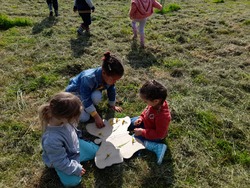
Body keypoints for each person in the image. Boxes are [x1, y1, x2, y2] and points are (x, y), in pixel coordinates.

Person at [38, 92, 99, 187]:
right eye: (76, 117)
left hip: (74, 147)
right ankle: (73, 166)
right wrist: (75, 168)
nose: (78, 119)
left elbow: (72, 133)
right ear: (65, 117)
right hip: (62, 160)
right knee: (73, 182)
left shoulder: (64, 120)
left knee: (97, 152)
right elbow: (59, 162)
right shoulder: (51, 140)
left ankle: (81, 156)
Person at [65, 52, 124, 128]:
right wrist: (96, 116)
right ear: (104, 72)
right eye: (114, 80)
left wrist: (112, 105)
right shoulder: (88, 78)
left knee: (97, 96)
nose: (114, 82)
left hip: (88, 93)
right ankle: (78, 108)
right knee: (85, 118)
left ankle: (88, 108)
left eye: (117, 80)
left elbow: (111, 89)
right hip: (74, 94)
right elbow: (85, 99)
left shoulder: (109, 77)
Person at [128, 80, 171, 164]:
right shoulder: (154, 104)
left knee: (133, 143)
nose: (145, 103)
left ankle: (157, 147)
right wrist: (141, 117)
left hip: (155, 135)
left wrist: (142, 132)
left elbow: (159, 134)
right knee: (130, 122)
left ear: (156, 101)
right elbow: (146, 111)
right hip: (146, 123)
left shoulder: (163, 116)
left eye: (145, 101)